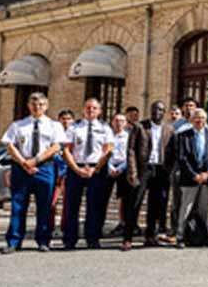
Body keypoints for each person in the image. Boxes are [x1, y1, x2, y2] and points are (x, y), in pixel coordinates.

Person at [0, 92, 66, 253]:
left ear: (46, 106)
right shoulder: (18, 125)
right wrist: (23, 162)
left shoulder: (54, 125)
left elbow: (56, 146)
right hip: (21, 168)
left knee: (44, 206)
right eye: (34, 104)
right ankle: (14, 242)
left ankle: (43, 240)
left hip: (44, 168)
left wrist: (35, 161)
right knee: (18, 206)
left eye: (41, 104)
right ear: (29, 106)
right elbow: (9, 145)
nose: (37, 107)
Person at [60, 98, 114, 250]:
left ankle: (93, 238)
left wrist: (95, 168)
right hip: (76, 168)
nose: (91, 110)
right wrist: (76, 169)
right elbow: (66, 150)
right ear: (83, 109)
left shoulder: (105, 128)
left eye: (94, 108)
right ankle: (70, 240)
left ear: (99, 111)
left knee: (95, 206)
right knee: (72, 205)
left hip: (96, 169)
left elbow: (108, 150)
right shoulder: (74, 127)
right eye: (88, 108)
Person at [165, 108, 208, 247]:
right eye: (197, 118)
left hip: (207, 179)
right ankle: (180, 236)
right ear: (191, 119)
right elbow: (182, 158)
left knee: (203, 209)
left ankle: (202, 235)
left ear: (206, 120)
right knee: (186, 208)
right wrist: (194, 175)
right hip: (190, 179)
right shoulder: (183, 136)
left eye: (202, 118)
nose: (199, 120)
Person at [125, 101, 171, 249]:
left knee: (155, 205)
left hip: (160, 170)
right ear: (150, 111)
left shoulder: (168, 129)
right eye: (154, 109)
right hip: (143, 169)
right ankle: (128, 237)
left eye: (160, 109)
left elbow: (171, 151)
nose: (157, 112)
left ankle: (150, 236)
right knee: (135, 203)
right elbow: (131, 149)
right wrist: (132, 172)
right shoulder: (140, 127)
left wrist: (169, 170)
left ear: (164, 112)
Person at [104, 113, 132, 246]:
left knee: (123, 198)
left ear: (126, 123)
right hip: (107, 167)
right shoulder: (107, 135)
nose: (119, 123)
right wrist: (109, 167)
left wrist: (120, 168)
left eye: (122, 121)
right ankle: (99, 225)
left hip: (123, 168)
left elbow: (130, 154)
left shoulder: (129, 137)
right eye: (116, 120)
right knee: (103, 197)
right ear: (112, 122)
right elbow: (103, 152)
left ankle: (123, 223)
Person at [51, 108, 76, 235]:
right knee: (51, 203)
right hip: (55, 173)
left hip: (69, 173)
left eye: (69, 119)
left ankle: (64, 228)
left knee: (68, 203)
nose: (66, 122)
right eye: (63, 119)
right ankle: (49, 227)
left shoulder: (75, 135)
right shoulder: (54, 135)